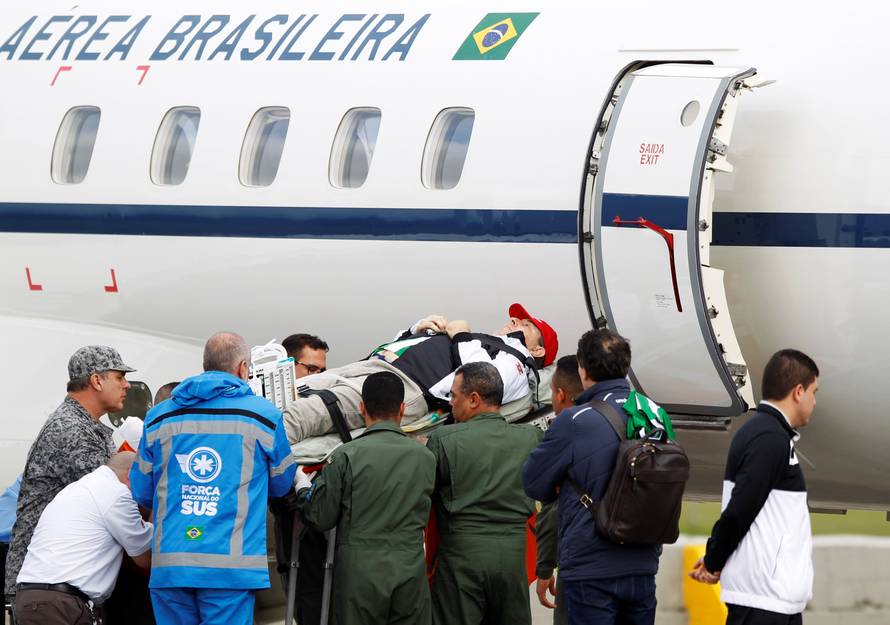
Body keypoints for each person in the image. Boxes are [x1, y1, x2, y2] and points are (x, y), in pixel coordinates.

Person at [129, 331, 297, 625]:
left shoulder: (158, 418)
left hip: (172, 566)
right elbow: (282, 483)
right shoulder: (262, 417)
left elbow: (142, 492)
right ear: (243, 368)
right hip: (230, 568)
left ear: (205, 365)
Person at [522, 329, 660, 625]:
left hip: (589, 569)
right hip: (642, 566)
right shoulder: (654, 414)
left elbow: (534, 483)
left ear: (583, 370)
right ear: (625, 366)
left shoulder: (575, 420)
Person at [283, 303, 558, 443]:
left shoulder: (517, 362)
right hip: (378, 366)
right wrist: (416, 330)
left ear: (536, 351)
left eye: (526, 324)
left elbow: (482, 380)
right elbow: (399, 346)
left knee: (302, 415)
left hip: (402, 386)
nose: (513, 321)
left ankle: (244, 477)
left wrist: (460, 334)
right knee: (286, 394)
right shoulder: (485, 343)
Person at [294, 371, 436, 625]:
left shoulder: (346, 456)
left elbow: (321, 517)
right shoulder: (426, 457)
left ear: (361, 407)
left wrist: (303, 488)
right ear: (403, 409)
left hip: (360, 573)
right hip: (409, 569)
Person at [689, 349, 819, 625]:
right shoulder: (768, 438)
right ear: (798, 391)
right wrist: (714, 560)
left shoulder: (769, 434)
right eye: (813, 392)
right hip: (763, 603)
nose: (814, 402)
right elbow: (740, 509)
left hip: (772, 601)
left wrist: (716, 557)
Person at [4, 345, 135, 600]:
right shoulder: (71, 430)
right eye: (119, 377)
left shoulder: (86, 426)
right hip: (49, 584)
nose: (126, 385)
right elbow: (114, 497)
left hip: (57, 581)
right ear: (96, 380)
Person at [426, 361, 543, 625]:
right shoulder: (531, 438)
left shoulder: (443, 439)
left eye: (453, 396)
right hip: (513, 559)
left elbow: (423, 497)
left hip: (461, 559)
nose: (450, 404)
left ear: (474, 399)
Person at [14, 453, 152, 625]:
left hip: (29, 599)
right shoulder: (115, 493)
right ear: (132, 473)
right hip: (63, 605)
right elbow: (146, 557)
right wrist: (156, 505)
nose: (146, 490)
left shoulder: (76, 489)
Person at [534, 355, 583, 625]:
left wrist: (544, 568)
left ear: (561, 394)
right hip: (635, 566)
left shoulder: (567, 435)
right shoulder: (631, 421)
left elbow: (553, 512)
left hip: (581, 567)